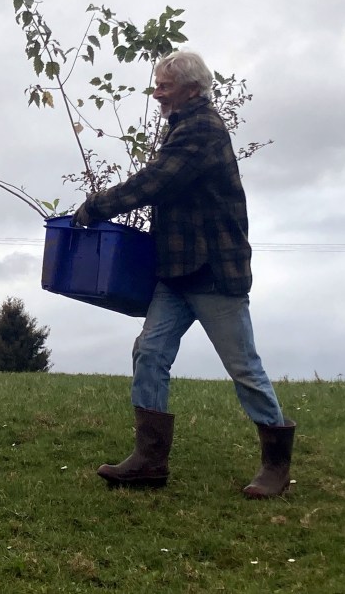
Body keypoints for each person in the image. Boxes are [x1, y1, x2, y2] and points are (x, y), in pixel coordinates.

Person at [72, 50, 295, 498]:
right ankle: (149, 461)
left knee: (243, 368)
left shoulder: (202, 129)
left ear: (192, 90)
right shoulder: (180, 125)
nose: (156, 93)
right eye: (156, 84)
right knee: (150, 352)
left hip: (213, 272)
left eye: (165, 86)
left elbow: (156, 181)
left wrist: (97, 206)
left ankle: (276, 467)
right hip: (177, 272)